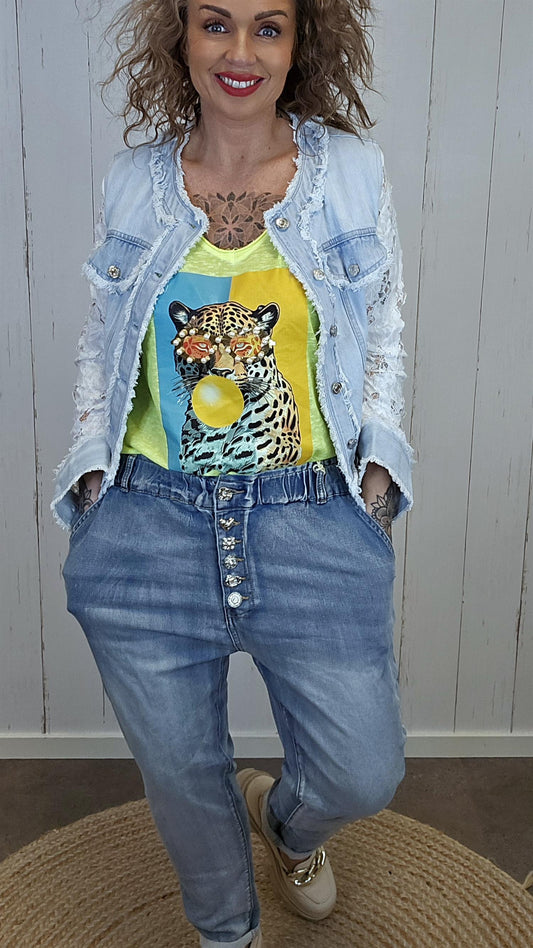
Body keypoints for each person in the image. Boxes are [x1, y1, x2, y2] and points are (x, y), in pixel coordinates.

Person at [51, 1, 414, 945]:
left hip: (309, 513)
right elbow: (101, 343)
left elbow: (382, 329)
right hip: (147, 518)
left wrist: (375, 483)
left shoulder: (349, 173)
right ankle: (226, 934)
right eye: (216, 24)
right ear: (181, 37)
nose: (240, 51)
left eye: (267, 27)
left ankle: (286, 825)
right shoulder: (134, 182)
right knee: (181, 776)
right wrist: (92, 484)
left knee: (363, 770)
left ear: (300, 43)